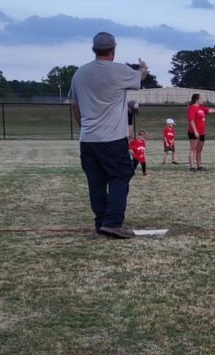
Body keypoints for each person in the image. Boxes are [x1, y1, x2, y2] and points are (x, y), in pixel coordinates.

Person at [68, 31, 147, 239]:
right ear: (112, 51)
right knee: (121, 174)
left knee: (96, 181)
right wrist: (143, 68)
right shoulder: (118, 71)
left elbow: (75, 107)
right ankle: (112, 222)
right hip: (112, 139)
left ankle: (100, 223)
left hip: (87, 140)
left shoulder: (79, 73)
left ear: (94, 50)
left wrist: (84, 126)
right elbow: (140, 78)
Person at [187, 93, 215, 172]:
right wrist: (195, 131)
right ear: (196, 100)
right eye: (201, 98)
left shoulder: (201, 107)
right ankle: (192, 167)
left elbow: (211, 110)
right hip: (194, 132)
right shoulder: (191, 108)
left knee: (199, 150)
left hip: (202, 132)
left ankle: (199, 166)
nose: (202, 100)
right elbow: (191, 121)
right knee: (193, 149)